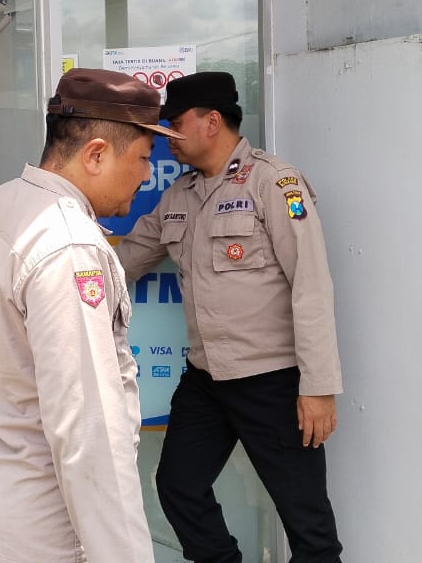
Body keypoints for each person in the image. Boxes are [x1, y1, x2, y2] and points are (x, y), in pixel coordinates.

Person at [0, 67, 184, 563]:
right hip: (44, 537)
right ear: (95, 154)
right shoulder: (70, 246)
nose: (147, 175)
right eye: (142, 157)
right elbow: (89, 431)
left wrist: (3, 419)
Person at [115, 71, 344, 563]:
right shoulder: (179, 196)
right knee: (178, 486)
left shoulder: (275, 183)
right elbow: (127, 258)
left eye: (176, 124)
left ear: (211, 121)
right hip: (206, 381)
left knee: (308, 525)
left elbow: (311, 286)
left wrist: (318, 387)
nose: (168, 138)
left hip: (272, 381)